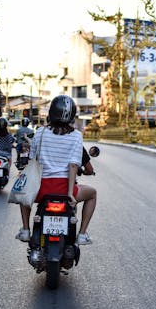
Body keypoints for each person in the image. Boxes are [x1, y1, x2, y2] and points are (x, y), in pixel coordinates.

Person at [16, 95, 97, 245]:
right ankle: (82, 234)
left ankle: (26, 230)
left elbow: (32, 159)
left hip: (41, 190)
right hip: (66, 189)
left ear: (51, 113)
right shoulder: (76, 136)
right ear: (72, 115)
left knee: (24, 194)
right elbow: (73, 165)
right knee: (92, 194)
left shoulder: (40, 132)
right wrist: (69, 194)